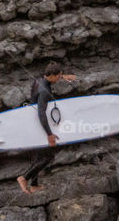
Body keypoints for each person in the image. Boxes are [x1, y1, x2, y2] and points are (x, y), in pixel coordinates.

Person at [17, 61, 77, 194]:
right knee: (48, 156)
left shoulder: (40, 79)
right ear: (53, 75)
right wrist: (49, 134)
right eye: (58, 76)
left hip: (31, 120)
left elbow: (51, 75)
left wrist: (63, 76)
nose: (58, 79)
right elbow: (41, 112)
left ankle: (34, 184)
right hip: (39, 123)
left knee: (39, 155)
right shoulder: (45, 91)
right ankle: (24, 178)